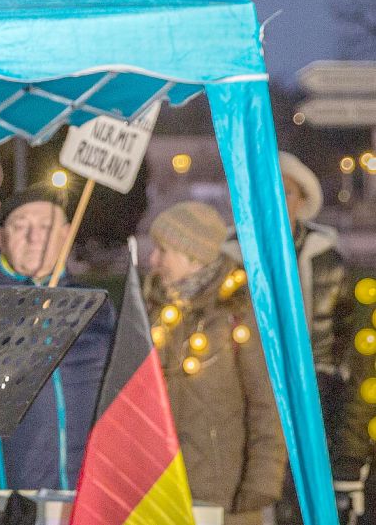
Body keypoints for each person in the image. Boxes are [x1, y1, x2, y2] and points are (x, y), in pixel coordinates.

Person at [225, 152, 359, 524]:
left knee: (308, 483)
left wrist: (337, 370)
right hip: (254, 383)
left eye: (286, 192)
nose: (278, 201)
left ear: (301, 200)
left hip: (315, 382)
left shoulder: (326, 255)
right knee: (262, 475)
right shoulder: (233, 255)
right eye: (269, 192)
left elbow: (346, 319)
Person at [145, 202, 286, 525]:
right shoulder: (155, 310)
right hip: (161, 494)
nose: (154, 261)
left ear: (192, 257)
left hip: (225, 499)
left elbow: (267, 403)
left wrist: (260, 485)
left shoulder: (240, 313)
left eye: (163, 250)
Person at [0, 183, 115, 491]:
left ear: (66, 233)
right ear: (1, 236)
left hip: (87, 489)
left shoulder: (95, 304)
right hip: (12, 492)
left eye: (46, 226)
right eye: (21, 225)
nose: (35, 236)